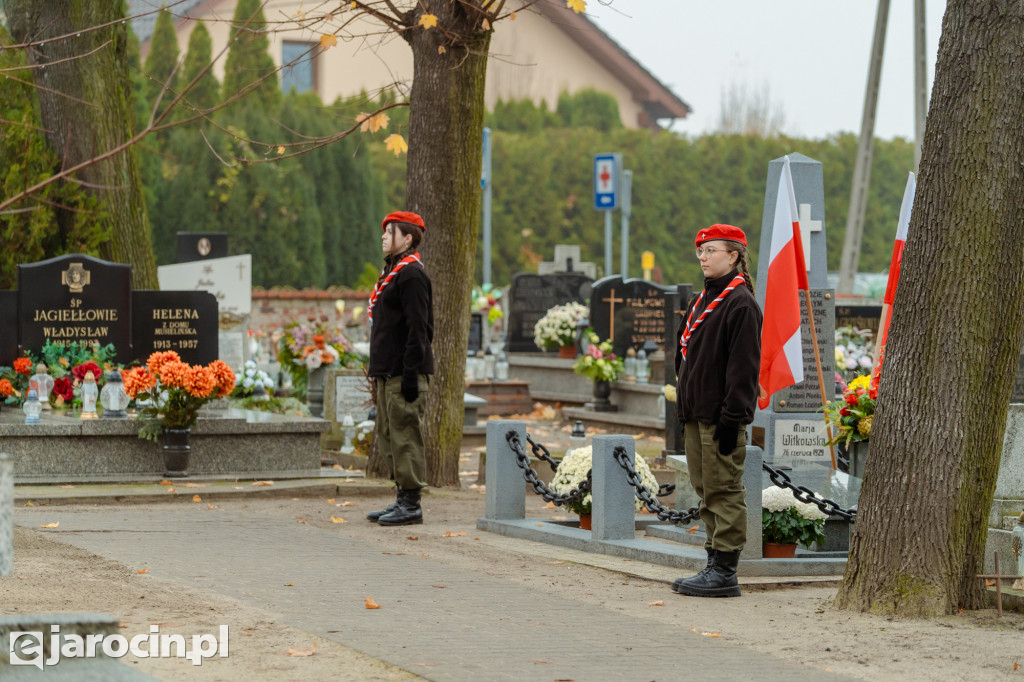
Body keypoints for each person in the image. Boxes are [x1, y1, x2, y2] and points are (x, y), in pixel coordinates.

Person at [672, 224, 762, 598]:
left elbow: (743, 370)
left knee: (723, 490)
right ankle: (713, 562)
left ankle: (725, 572)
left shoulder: (739, 303)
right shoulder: (703, 300)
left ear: (735, 255)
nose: (704, 257)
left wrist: (732, 419)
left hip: (720, 418)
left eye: (711, 251)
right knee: (705, 490)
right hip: (697, 413)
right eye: (701, 251)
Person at [365, 211, 434, 526]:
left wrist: (409, 374)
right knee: (390, 435)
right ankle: (401, 499)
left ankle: (412, 504)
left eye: (389, 231)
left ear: (407, 238)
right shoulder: (391, 272)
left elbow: (419, 330)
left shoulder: (411, 275)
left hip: (404, 373)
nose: (383, 236)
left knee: (405, 435)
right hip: (387, 371)